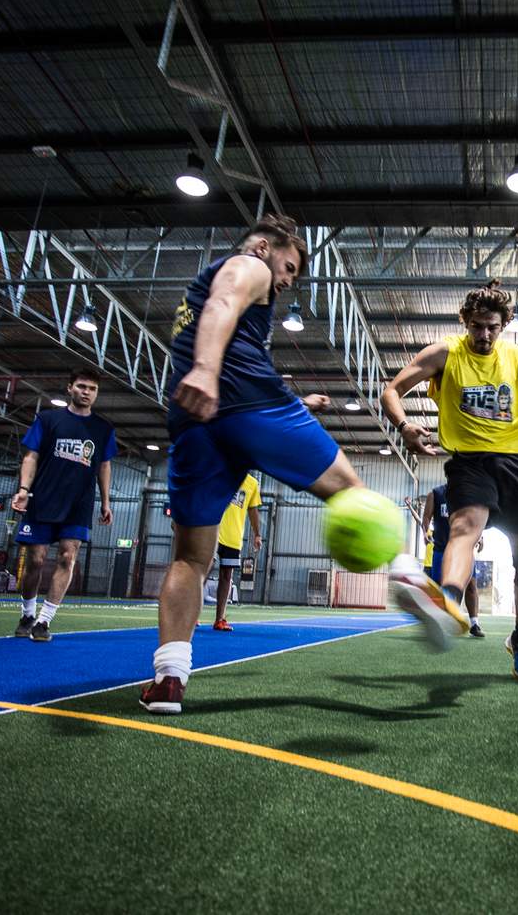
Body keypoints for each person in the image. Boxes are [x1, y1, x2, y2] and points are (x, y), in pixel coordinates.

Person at [141, 214, 461, 714]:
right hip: (249, 404)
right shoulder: (248, 265)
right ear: (266, 246)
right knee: (350, 489)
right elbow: (227, 302)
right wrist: (207, 370)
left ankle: (169, 681)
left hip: (195, 421)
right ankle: (406, 575)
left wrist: (238, 384)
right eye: (289, 266)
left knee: (188, 559)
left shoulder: (194, 298)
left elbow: (227, 334)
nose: (288, 280)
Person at [381, 279, 518, 681]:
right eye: (477, 327)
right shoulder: (445, 354)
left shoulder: (516, 358)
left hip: (517, 465)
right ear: (466, 322)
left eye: (493, 328)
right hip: (469, 463)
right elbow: (391, 390)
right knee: (464, 528)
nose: (484, 335)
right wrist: (404, 425)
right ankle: (446, 603)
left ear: (504, 326)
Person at [9, 368, 117, 642]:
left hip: (78, 504)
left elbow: (104, 465)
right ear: (70, 388)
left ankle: (44, 621)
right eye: (81, 386)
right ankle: (27, 613)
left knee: (67, 557)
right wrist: (23, 489)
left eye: (92, 388)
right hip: (43, 498)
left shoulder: (104, 429)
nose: (86, 392)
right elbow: (31, 456)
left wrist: (105, 501)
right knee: (35, 560)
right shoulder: (47, 420)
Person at [421, 483, 483, 637]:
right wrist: (425, 531)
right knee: (440, 588)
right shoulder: (435, 494)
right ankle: (440, 622)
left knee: (471, 586)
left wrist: (480, 536)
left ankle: (474, 624)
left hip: (464, 549)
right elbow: (426, 517)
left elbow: (475, 519)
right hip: (442, 549)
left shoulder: (469, 494)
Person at [211, 473, 262, 631]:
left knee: (227, 576)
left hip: (234, 537)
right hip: (211, 530)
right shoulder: (218, 471)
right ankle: (190, 616)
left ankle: (220, 619)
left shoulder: (252, 483)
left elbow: (252, 511)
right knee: (202, 573)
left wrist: (257, 534)